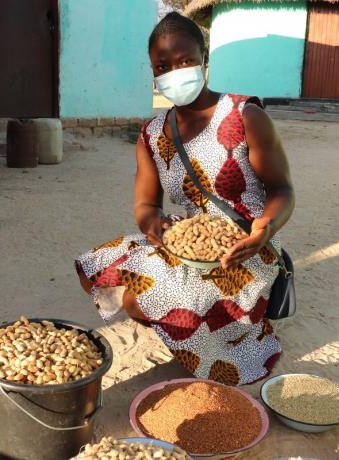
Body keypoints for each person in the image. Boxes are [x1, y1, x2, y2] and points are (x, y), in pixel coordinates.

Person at [75, 12, 294, 386]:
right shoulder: (153, 132)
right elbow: (145, 204)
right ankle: (175, 313)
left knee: (140, 300)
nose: (175, 71)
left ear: (204, 59)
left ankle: (219, 325)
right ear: (153, 72)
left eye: (185, 61)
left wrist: (265, 229)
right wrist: (152, 225)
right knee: (93, 266)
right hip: (187, 240)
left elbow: (282, 190)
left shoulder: (245, 115)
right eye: (163, 65)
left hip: (244, 249)